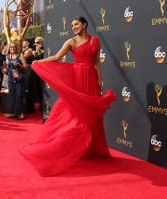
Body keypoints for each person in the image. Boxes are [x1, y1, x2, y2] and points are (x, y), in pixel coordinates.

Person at [20, 16, 117, 176]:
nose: (73, 27)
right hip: (78, 78)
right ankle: (72, 149)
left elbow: (97, 62)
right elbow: (57, 57)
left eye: (76, 24)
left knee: (91, 114)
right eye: (72, 25)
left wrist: (99, 81)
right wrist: (39, 62)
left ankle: (92, 149)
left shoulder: (95, 41)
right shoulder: (71, 42)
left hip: (91, 79)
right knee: (77, 114)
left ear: (84, 24)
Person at [5, 42, 27, 120]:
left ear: (16, 48)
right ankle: (14, 112)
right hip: (11, 78)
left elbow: (25, 66)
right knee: (12, 95)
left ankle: (22, 113)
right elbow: (8, 68)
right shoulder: (8, 56)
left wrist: (19, 65)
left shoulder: (20, 55)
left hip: (19, 78)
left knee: (19, 95)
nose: (12, 48)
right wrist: (5, 70)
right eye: (11, 47)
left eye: (14, 47)